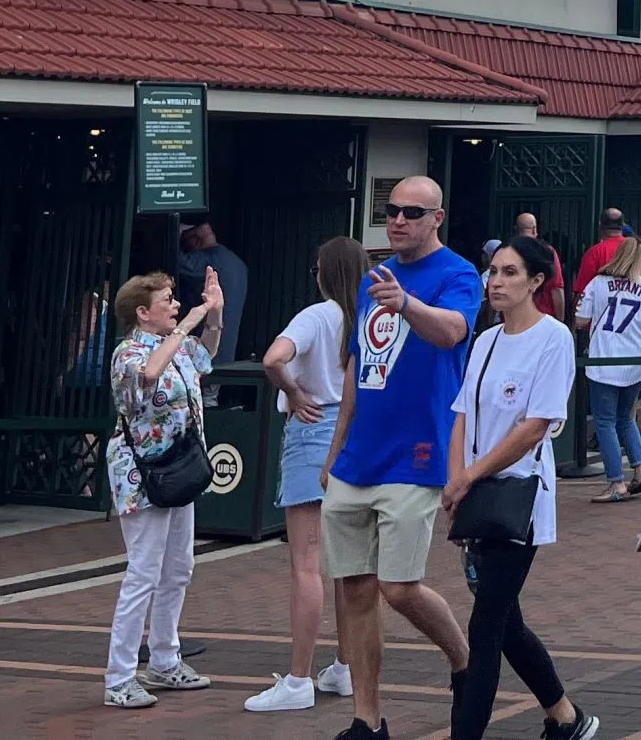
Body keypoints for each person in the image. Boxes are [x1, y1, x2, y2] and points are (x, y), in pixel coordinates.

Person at [323, 174, 484, 740]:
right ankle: (367, 719)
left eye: (412, 212)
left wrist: (408, 302)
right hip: (358, 457)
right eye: (391, 210)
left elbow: (453, 332)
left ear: (437, 217)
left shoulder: (458, 274)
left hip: (417, 456)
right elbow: (355, 366)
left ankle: (466, 660)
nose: (398, 221)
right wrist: (336, 446)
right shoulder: (373, 277)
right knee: (355, 588)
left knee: (399, 586)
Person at [444, 237, 599, 740]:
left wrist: (472, 475)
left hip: (519, 499)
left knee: (484, 626)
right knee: (505, 620)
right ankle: (565, 717)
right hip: (475, 498)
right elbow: (462, 414)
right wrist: (455, 480)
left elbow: (536, 425)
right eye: (493, 272)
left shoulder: (553, 338)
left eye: (510, 273)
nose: (496, 282)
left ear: (535, 281)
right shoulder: (486, 339)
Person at [246, 235, 371, 712]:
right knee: (346, 563)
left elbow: (273, 359)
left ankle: (298, 677)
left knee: (306, 562)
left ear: (322, 271)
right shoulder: (366, 318)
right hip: (353, 436)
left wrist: (294, 393)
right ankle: (344, 665)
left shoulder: (316, 315)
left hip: (312, 430)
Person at [102, 264, 224, 705]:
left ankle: (165, 660)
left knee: (178, 568)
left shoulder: (180, 346)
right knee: (144, 571)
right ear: (142, 312)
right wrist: (190, 320)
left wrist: (213, 316)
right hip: (143, 474)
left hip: (180, 469)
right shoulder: (128, 353)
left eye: (175, 300)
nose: (174, 306)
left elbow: (205, 355)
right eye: (166, 301)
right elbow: (150, 374)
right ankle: (119, 677)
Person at [577, 234, 641, 502]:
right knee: (626, 418)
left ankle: (616, 483)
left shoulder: (598, 284)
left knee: (605, 421)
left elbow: (580, 320)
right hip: (637, 361)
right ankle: (639, 468)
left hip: (605, 360)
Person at [173, 215, 249, 363]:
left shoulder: (205, 262)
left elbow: (173, 260)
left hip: (202, 349)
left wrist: (174, 235)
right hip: (225, 351)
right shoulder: (236, 262)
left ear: (195, 240)